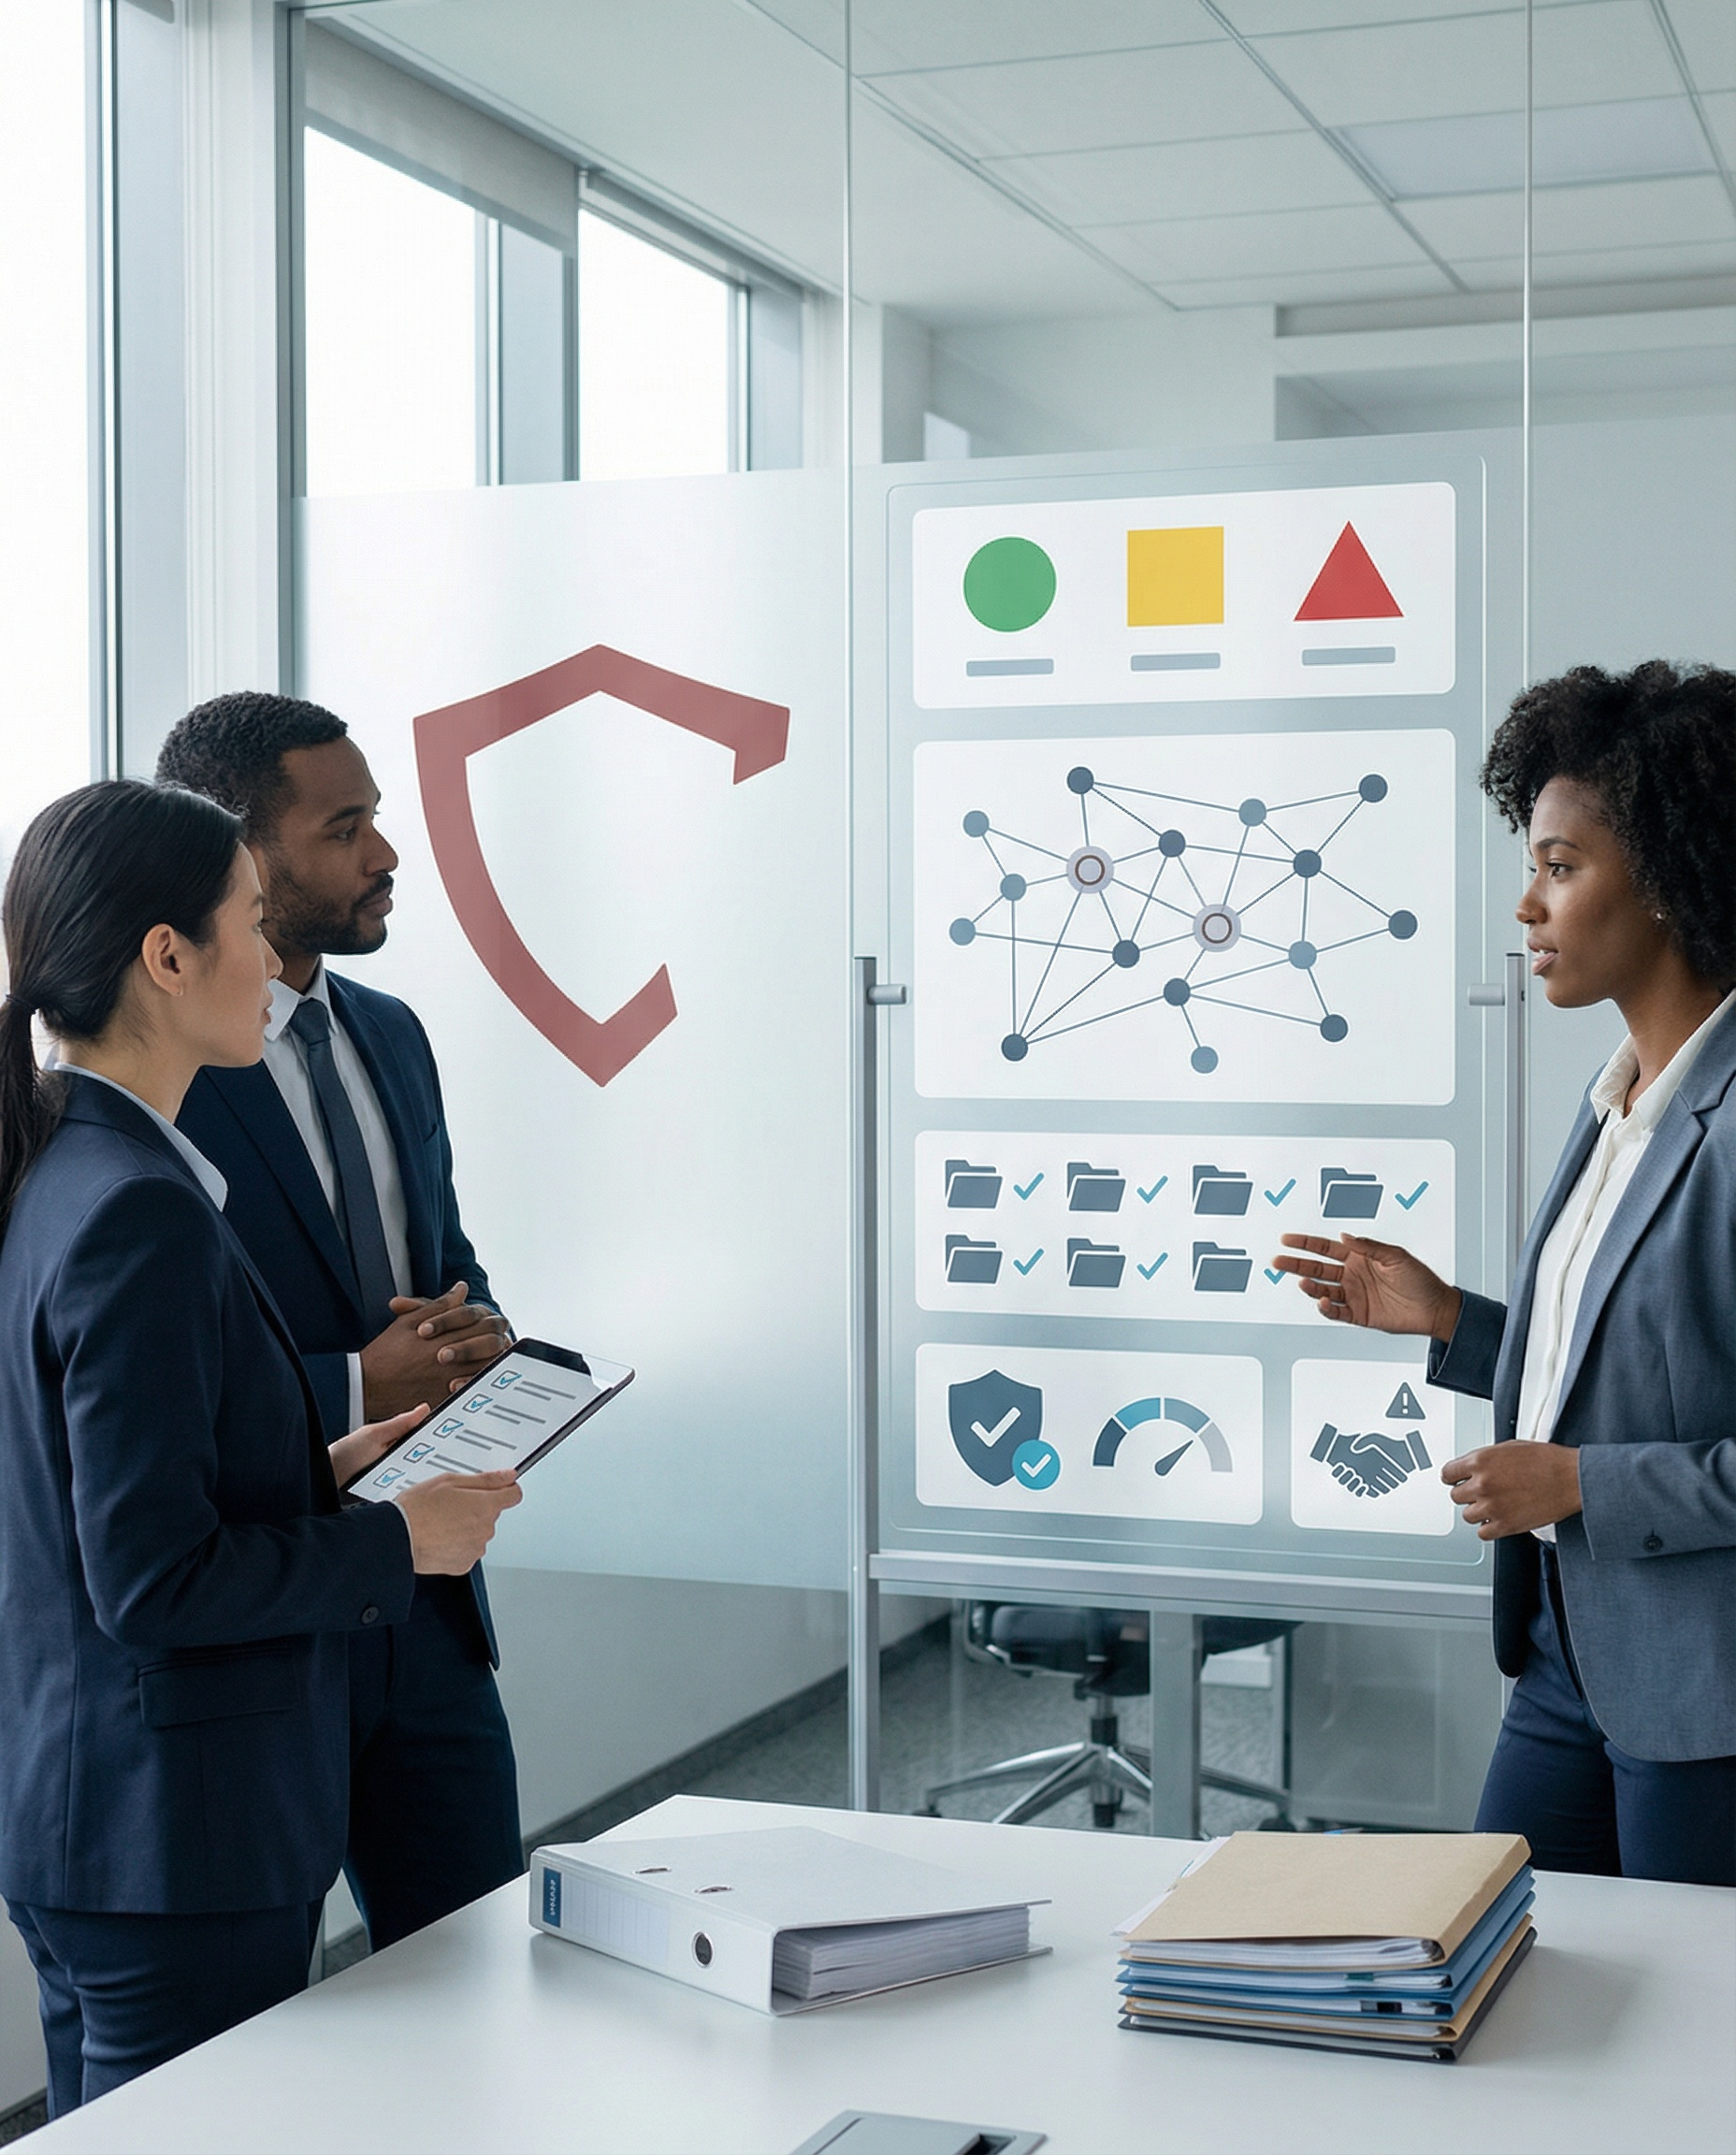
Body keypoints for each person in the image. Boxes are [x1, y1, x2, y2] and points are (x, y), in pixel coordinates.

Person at [0, 781, 520, 2114]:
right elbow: (153, 1580)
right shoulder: (137, 1213)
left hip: (101, 1818)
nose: (272, 963)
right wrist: (398, 1536)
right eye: (246, 924)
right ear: (167, 958)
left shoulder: (68, 1163)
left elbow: (103, 1494)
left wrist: (318, 1468)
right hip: (175, 1833)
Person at [1276, 660, 1736, 1886]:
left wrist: (1581, 1485)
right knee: (1495, 1970)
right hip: (1563, 1658)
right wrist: (1457, 1326)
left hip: (1706, 1699)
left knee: (1684, 2052)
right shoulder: (1618, 1100)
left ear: (1674, 879)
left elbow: (1608, 1452)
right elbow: (1634, 1372)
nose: (1527, 906)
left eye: (1562, 866)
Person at [157, 694, 523, 1952]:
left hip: (427, 1608)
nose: (386, 856)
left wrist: (482, 1342)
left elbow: (446, 1267)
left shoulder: (393, 1035)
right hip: (264, 1619)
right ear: (242, 860)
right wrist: (349, 1383)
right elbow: (146, 1387)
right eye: (347, 826)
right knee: (256, 2022)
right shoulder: (160, 1081)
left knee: (478, 1968)